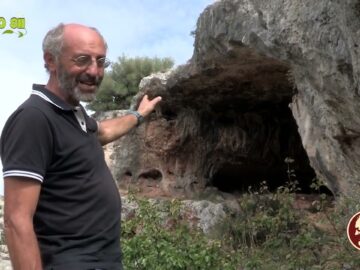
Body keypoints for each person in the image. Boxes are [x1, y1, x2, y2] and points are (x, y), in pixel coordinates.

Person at [1, 23, 161, 270]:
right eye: (82, 60)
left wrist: (139, 114)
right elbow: (16, 219)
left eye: (101, 62)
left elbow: (104, 131)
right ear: (51, 61)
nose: (94, 71)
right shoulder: (33, 118)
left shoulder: (75, 116)